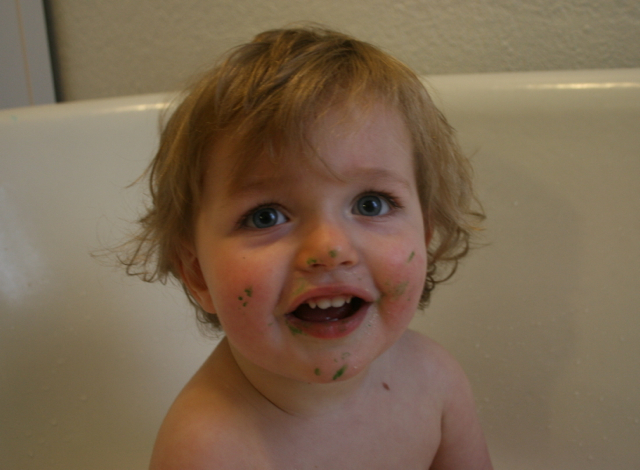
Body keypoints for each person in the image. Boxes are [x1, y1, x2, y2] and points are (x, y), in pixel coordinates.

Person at [123, 25, 492, 469]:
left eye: (371, 204)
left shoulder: (434, 380)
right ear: (197, 272)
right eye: (266, 216)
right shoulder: (207, 451)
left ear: (425, 236)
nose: (330, 249)